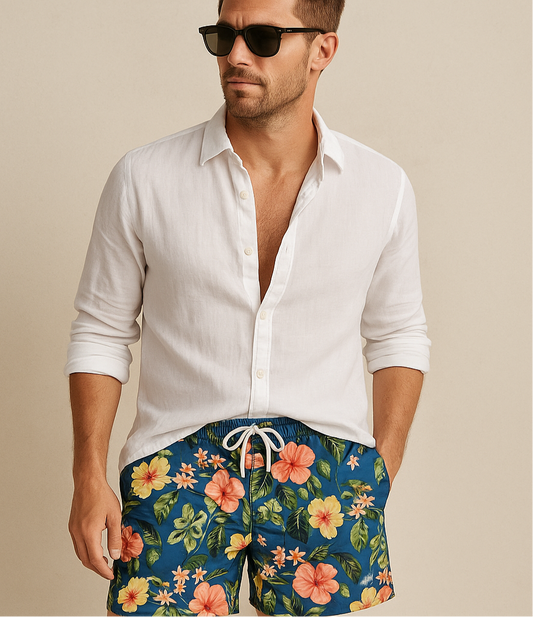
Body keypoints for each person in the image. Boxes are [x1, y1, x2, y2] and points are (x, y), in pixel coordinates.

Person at [66, 0, 430, 615]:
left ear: (322, 50)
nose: (235, 55)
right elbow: (101, 331)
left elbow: (399, 335)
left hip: (326, 469)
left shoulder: (381, 187)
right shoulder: (144, 178)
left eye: (262, 37)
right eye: (224, 35)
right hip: (175, 463)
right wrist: (88, 474)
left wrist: (379, 470)